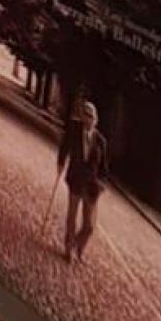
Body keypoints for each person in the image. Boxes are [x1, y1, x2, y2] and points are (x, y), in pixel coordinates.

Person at [57, 95, 108, 262]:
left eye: (91, 116)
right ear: (82, 116)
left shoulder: (100, 141)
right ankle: (68, 248)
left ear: (96, 119)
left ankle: (77, 246)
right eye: (85, 115)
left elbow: (104, 168)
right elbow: (64, 146)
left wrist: (102, 184)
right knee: (71, 216)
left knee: (89, 225)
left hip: (91, 186)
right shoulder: (74, 129)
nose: (88, 119)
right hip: (75, 179)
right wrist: (61, 162)